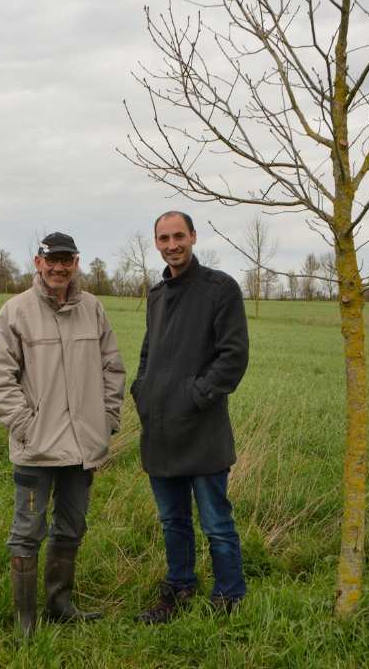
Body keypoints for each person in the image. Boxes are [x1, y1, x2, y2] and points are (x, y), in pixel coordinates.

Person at [0, 231, 126, 637]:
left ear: (76, 263)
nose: (60, 267)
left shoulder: (93, 309)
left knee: (72, 527)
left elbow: (112, 369)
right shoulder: (16, 312)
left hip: (83, 448)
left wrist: (107, 418)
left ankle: (60, 604)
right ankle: (25, 619)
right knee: (27, 531)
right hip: (36, 449)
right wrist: (27, 427)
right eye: (53, 260)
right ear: (38, 262)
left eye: (67, 260)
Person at [131, 211, 250, 624]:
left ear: (194, 237)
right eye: (163, 237)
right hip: (160, 430)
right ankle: (179, 589)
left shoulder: (221, 289)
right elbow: (148, 353)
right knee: (173, 521)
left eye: (178, 235)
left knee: (216, 522)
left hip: (203, 429)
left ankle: (229, 597)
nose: (171, 244)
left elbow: (233, 357)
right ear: (157, 243)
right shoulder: (156, 296)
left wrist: (194, 396)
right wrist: (142, 390)